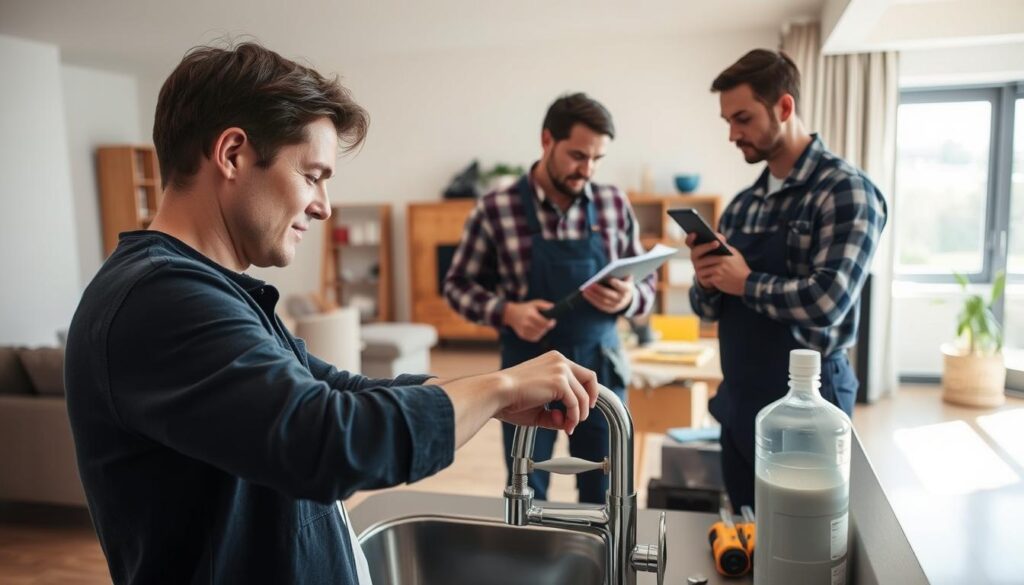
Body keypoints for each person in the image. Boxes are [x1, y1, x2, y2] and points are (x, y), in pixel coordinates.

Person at [64, 42, 600, 585]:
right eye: (312, 174)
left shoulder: (213, 290)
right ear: (232, 154)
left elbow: (338, 390)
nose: (322, 205)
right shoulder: (162, 299)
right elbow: (328, 440)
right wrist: (501, 388)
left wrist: (483, 392)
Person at [686, 49, 888, 509]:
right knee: (747, 528)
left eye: (742, 118)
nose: (733, 134)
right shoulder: (742, 204)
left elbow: (828, 301)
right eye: (727, 122)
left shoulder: (846, 191)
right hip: (740, 402)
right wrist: (709, 280)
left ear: (784, 107)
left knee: (804, 537)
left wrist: (745, 281)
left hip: (809, 409)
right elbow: (708, 311)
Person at [443, 93, 656, 504]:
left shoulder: (614, 205)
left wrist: (628, 299)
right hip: (527, 370)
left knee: (607, 488)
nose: (587, 169)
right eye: (577, 156)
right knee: (527, 486)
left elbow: (645, 291)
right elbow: (456, 285)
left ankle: (600, 565)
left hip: (602, 372)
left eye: (597, 159)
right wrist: (507, 311)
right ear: (546, 141)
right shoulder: (495, 209)